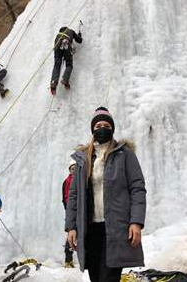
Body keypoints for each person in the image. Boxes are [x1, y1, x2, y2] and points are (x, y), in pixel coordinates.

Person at [65, 107, 146, 282]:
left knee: (109, 278)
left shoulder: (125, 154)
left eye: (107, 125)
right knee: (96, 277)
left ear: (112, 129)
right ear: (93, 129)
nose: (102, 128)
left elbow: (137, 188)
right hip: (90, 230)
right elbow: (74, 196)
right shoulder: (82, 159)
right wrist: (71, 227)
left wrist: (136, 222)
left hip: (116, 229)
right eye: (98, 125)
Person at [50, 26, 82, 94]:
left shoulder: (58, 35)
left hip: (57, 46)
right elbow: (79, 40)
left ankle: (53, 82)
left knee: (57, 65)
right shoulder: (71, 31)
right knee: (69, 64)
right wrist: (79, 34)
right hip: (67, 44)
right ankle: (65, 79)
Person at [61, 160, 76, 268]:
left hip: (79, 210)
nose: (74, 170)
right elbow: (65, 197)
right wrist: (69, 210)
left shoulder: (79, 179)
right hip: (72, 211)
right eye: (72, 168)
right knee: (71, 233)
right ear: (69, 170)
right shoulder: (67, 181)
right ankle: (68, 260)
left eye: (75, 168)